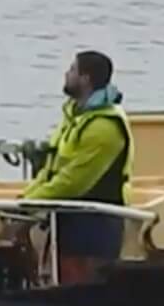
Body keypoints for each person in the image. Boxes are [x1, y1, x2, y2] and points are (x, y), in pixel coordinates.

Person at [19, 50, 134, 286]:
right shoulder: (75, 115)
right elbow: (54, 165)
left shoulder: (104, 127)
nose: (66, 74)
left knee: (89, 286)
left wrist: (28, 203)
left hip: (96, 221)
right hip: (70, 216)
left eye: (72, 69)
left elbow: (74, 180)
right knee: (64, 277)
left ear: (85, 78)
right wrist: (27, 196)